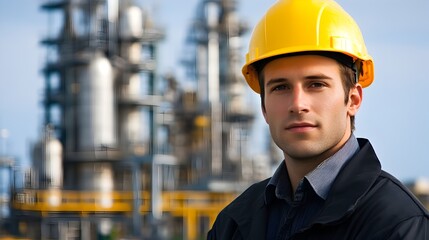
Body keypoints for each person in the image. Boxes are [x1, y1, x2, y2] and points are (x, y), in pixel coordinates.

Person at [207, 0, 429, 239]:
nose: (298, 104)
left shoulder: (396, 223)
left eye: (316, 84)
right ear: (264, 108)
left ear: (353, 100)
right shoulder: (235, 223)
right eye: (280, 87)